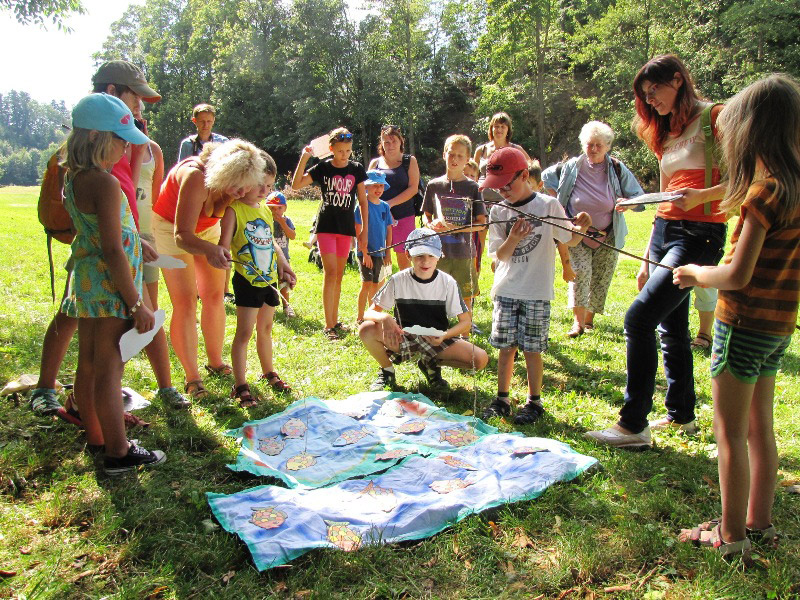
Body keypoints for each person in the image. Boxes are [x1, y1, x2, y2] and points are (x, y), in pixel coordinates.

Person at [672, 74, 800, 560]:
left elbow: (736, 274)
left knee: (729, 433)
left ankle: (730, 536)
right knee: (760, 428)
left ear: (752, 133)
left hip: (743, 326)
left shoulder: (763, 195)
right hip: (777, 329)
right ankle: (758, 523)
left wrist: (695, 274)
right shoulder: (794, 189)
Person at [30, 60, 191, 417]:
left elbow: (132, 188)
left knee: (145, 309)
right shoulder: (96, 141)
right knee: (76, 316)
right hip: (101, 249)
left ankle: (163, 387)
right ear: (113, 91)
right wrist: (115, 240)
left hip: (130, 237)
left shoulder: (129, 138)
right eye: (136, 97)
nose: (141, 105)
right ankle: (50, 389)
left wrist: (136, 237)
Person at [585, 54, 727, 449]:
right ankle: (682, 415)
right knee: (671, 325)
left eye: (654, 91)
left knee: (639, 319)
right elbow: (664, 197)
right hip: (665, 230)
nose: (650, 101)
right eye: (645, 96)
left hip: (700, 233)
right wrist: (650, 253)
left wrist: (703, 196)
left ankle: (633, 426)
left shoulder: (715, 118)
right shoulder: (665, 132)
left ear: (678, 80)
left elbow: (747, 179)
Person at [61, 93, 165, 474]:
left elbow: (100, 231)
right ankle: (119, 452)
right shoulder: (105, 183)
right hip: (111, 288)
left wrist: (137, 241)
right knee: (109, 369)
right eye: (121, 140)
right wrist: (136, 303)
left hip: (89, 285)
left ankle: (96, 436)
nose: (126, 149)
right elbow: (111, 248)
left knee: (88, 364)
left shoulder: (75, 179)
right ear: (95, 137)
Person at [480, 148, 591, 424]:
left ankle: (534, 402)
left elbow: (570, 239)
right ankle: (502, 399)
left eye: (507, 184)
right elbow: (499, 255)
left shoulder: (547, 206)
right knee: (506, 348)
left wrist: (583, 228)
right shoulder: (498, 210)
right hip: (506, 289)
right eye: (497, 186)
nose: (502, 191)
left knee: (532, 348)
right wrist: (514, 238)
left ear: (524, 175)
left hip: (536, 291)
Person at [152, 139, 269, 399]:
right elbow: (182, 235)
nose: (243, 192)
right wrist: (209, 250)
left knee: (215, 296)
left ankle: (216, 362)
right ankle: (192, 377)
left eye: (247, 185)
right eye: (238, 186)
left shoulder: (234, 186)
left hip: (205, 228)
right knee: (185, 302)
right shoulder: (195, 176)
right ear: (223, 174)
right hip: (171, 229)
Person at [541, 121, 645, 337]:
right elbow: (545, 176)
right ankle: (577, 323)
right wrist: (558, 201)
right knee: (580, 272)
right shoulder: (571, 166)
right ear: (583, 145)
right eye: (590, 144)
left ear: (607, 146)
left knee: (600, 277)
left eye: (599, 145)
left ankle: (589, 320)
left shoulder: (617, 168)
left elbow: (639, 196)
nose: (594, 149)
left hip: (608, 233)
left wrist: (627, 203)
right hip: (577, 231)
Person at [359, 228, 488, 393]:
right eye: (419, 256)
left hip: (436, 339)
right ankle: (387, 371)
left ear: (439, 256)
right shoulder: (398, 280)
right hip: (403, 337)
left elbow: (466, 322)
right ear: (408, 255)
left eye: (431, 256)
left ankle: (430, 364)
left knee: (480, 359)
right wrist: (384, 317)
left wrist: (445, 335)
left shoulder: (447, 282)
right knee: (366, 329)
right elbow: (368, 313)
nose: (425, 261)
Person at [219, 162, 296, 406]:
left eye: (269, 186)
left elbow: (271, 242)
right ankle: (241, 384)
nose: (264, 191)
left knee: (266, 328)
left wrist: (283, 264)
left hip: (268, 279)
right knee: (244, 332)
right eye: (259, 184)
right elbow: (223, 245)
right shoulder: (234, 210)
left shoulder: (264, 210)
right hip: (247, 281)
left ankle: (268, 372)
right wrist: (222, 256)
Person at [292, 127, 368, 340]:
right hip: (326, 227)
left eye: (348, 151)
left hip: (346, 228)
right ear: (331, 149)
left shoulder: (356, 169)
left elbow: (363, 202)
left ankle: (334, 321)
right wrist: (305, 157)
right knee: (330, 273)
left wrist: (363, 231)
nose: (345, 155)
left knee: (339, 275)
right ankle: (328, 325)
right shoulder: (323, 167)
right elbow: (296, 185)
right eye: (341, 151)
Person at [421, 134, 487, 317]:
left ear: (467, 159)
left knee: (465, 298)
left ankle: (465, 331)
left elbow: (481, 223)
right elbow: (426, 215)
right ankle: (437, 330)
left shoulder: (473, 188)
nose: (455, 159)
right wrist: (430, 224)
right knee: (435, 296)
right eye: (451, 154)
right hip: (437, 253)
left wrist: (456, 229)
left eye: (460, 156)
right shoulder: (434, 185)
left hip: (464, 254)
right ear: (444, 155)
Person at [368, 125, 421, 271]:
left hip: (404, 217)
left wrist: (389, 204)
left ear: (401, 141)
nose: (390, 145)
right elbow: (368, 190)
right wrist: (383, 208)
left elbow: (413, 188)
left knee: (405, 262)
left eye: (394, 141)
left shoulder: (409, 161)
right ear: (381, 143)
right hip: (378, 218)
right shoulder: (375, 164)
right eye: (386, 142)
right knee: (378, 262)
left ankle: (406, 286)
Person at [354, 170, 393, 323]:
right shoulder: (361, 206)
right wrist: (365, 253)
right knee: (366, 283)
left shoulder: (385, 206)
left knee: (376, 284)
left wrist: (388, 253)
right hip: (365, 252)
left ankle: (371, 315)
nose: (378, 189)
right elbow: (358, 230)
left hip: (380, 252)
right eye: (375, 185)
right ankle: (360, 317)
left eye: (381, 186)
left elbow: (389, 229)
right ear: (366, 187)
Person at [474, 112, 531, 205]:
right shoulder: (481, 150)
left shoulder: (516, 149)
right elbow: (473, 175)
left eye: (503, 126)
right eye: (496, 126)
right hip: (482, 201)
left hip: (507, 202)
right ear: (491, 128)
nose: (499, 129)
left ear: (508, 130)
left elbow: (532, 170)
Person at [265, 191, 297, 317]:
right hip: (268, 258)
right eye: (272, 208)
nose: (276, 211)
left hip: (283, 257)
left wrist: (283, 224)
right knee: (268, 282)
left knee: (284, 282)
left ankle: (286, 305)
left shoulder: (287, 221)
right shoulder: (265, 220)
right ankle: (268, 306)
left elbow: (292, 236)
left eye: (279, 208)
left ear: (285, 208)